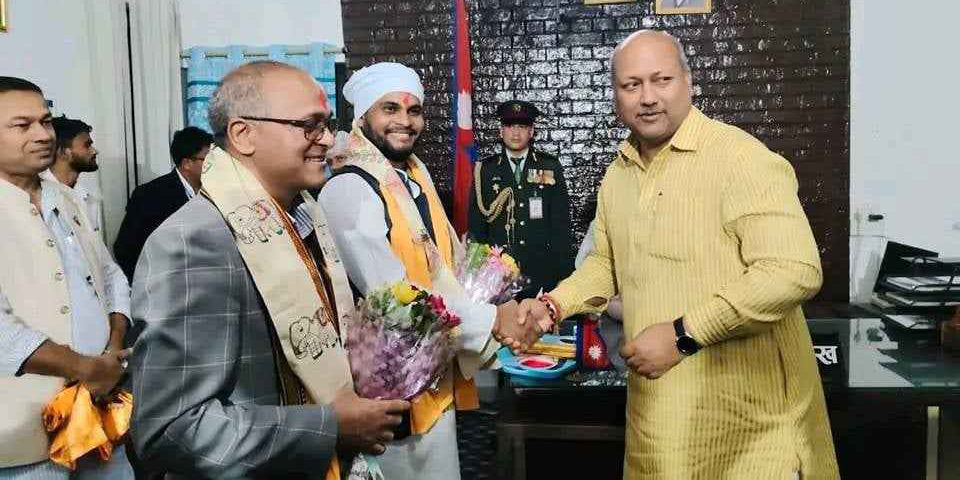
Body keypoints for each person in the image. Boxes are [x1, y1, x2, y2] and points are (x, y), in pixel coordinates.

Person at [517, 30, 840, 479]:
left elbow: (793, 271)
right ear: (616, 97)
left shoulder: (741, 158)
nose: (648, 97)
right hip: (659, 428)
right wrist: (553, 306)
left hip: (751, 436)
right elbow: (606, 263)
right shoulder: (619, 174)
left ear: (688, 82)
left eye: (662, 80)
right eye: (632, 85)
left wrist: (684, 334)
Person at [127, 61, 409, 479]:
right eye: (309, 126)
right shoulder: (195, 241)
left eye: (327, 125)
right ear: (244, 134)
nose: (327, 139)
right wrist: (331, 427)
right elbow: (173, 431)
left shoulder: (305, 218)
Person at [319, 62, 541, 480]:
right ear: (362, 117)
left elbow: (446, 268)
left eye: (414, 111)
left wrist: (500, 299)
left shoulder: (412, 178)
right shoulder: (350, 188)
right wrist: (495, 320)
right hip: (387, 385)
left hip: (432, 371)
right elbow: (395, 299)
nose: (404, 121)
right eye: (390, 109)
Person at [0, 76, 133, 479]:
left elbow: (110, 276)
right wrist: (85, 367)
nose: (43, 134)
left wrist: (112, 349)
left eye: (45, 121)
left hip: (100, 412)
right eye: (22, 125)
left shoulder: (67, 197)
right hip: (22, 436)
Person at [468, 100, 573, 298]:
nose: (515, 133)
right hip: (498, 275)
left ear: (531, 131)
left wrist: (564, 275)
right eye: (510, 126)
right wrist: (479, 272)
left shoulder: (549, 166)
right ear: (501, 131)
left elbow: (561, 225)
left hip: (542, 272)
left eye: (522, 126)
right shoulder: (486, 170)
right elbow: (477, 228)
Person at [112, 126, 213, 281]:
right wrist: (151, 285)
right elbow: (125, 249)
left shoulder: (216, 191)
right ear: (187, 163)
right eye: (208, 159)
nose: (215, 164)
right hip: (168, 286)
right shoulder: (150, 195)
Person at [43, 116, 103, 234]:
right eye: (87, 145)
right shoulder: (42, 200)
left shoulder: (86, 196)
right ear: (63, 152)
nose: (95, 151)